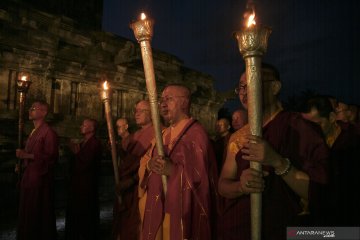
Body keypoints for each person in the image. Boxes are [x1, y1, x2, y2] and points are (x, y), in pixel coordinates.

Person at [218, 64, 329, 240]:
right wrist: (241, 186)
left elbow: (319, 191)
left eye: (252, 83)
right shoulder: (238, 137)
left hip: (280, 229)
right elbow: (223, 185)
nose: (244, 92)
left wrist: (277, 161)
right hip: (237, 229)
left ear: (275, 87)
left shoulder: (299, 127)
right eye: (241, 87)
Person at [139, 84, 217, 240]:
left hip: (179, 213)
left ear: (184, 103)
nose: (162, 104)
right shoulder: (163, 134)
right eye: (161, 100)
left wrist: (173, 171)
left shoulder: (196, 135)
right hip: (156, 207)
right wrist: (149, 165)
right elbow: (145, 161)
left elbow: (201, 180)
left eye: (169, 99)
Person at [301, 96, 360, 226]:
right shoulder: (307, 144)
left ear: (332, 118)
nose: (310, 132)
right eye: (306, 126)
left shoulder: (352, 142)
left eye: (316, 125)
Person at [16, 100, 59, 240]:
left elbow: (51, 157)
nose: (30, 110)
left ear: (44, 112)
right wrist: (22, 164)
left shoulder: (48, 133)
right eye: (31, 108)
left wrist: (26, 155)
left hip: (39, 181)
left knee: (37, 211)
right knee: (27, 211)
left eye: (34, 108)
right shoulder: (34, 132)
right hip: (29, 178)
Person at [113, 100, 155, 240]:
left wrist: (131, 180)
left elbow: (150, 164)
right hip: (127, 188)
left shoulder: (158, 133)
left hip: (142, 187)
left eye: (140, 111)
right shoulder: (136, 135)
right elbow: (128, 160)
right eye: (135, 111)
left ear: (151, 113)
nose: (136, 114)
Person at [65, 118, 102, 240]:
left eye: (84, 125)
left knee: (86, 211)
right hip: (78, 183)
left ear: (91, 128)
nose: (81, 126)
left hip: (87, 184)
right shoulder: (84, 142)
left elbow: (86, 162)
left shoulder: (95, 143)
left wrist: (76, 153)